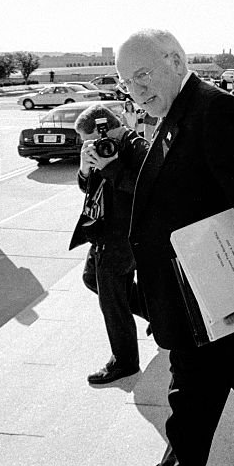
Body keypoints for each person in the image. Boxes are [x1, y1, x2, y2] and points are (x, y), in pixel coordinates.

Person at [116, 30, 234, 466]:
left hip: (207, 301)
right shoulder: (177, 113)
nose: (137, 90)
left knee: (188, 411)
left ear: (175, 60)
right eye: (127, 83)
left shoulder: (215, 111)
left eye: (144, 75)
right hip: (195, 296)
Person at [70, 103, 149, 385]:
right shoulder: (105, 148)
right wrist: (85, 167)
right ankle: (158, 314)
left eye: (88, 140)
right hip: (103, 233)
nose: (91, 146)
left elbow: (145, 192)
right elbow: (89, 188)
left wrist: (111, 167)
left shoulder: (137, 148)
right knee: (92, 280)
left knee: (112, 302)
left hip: (122, 238)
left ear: (102, 128)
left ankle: (125, 362)